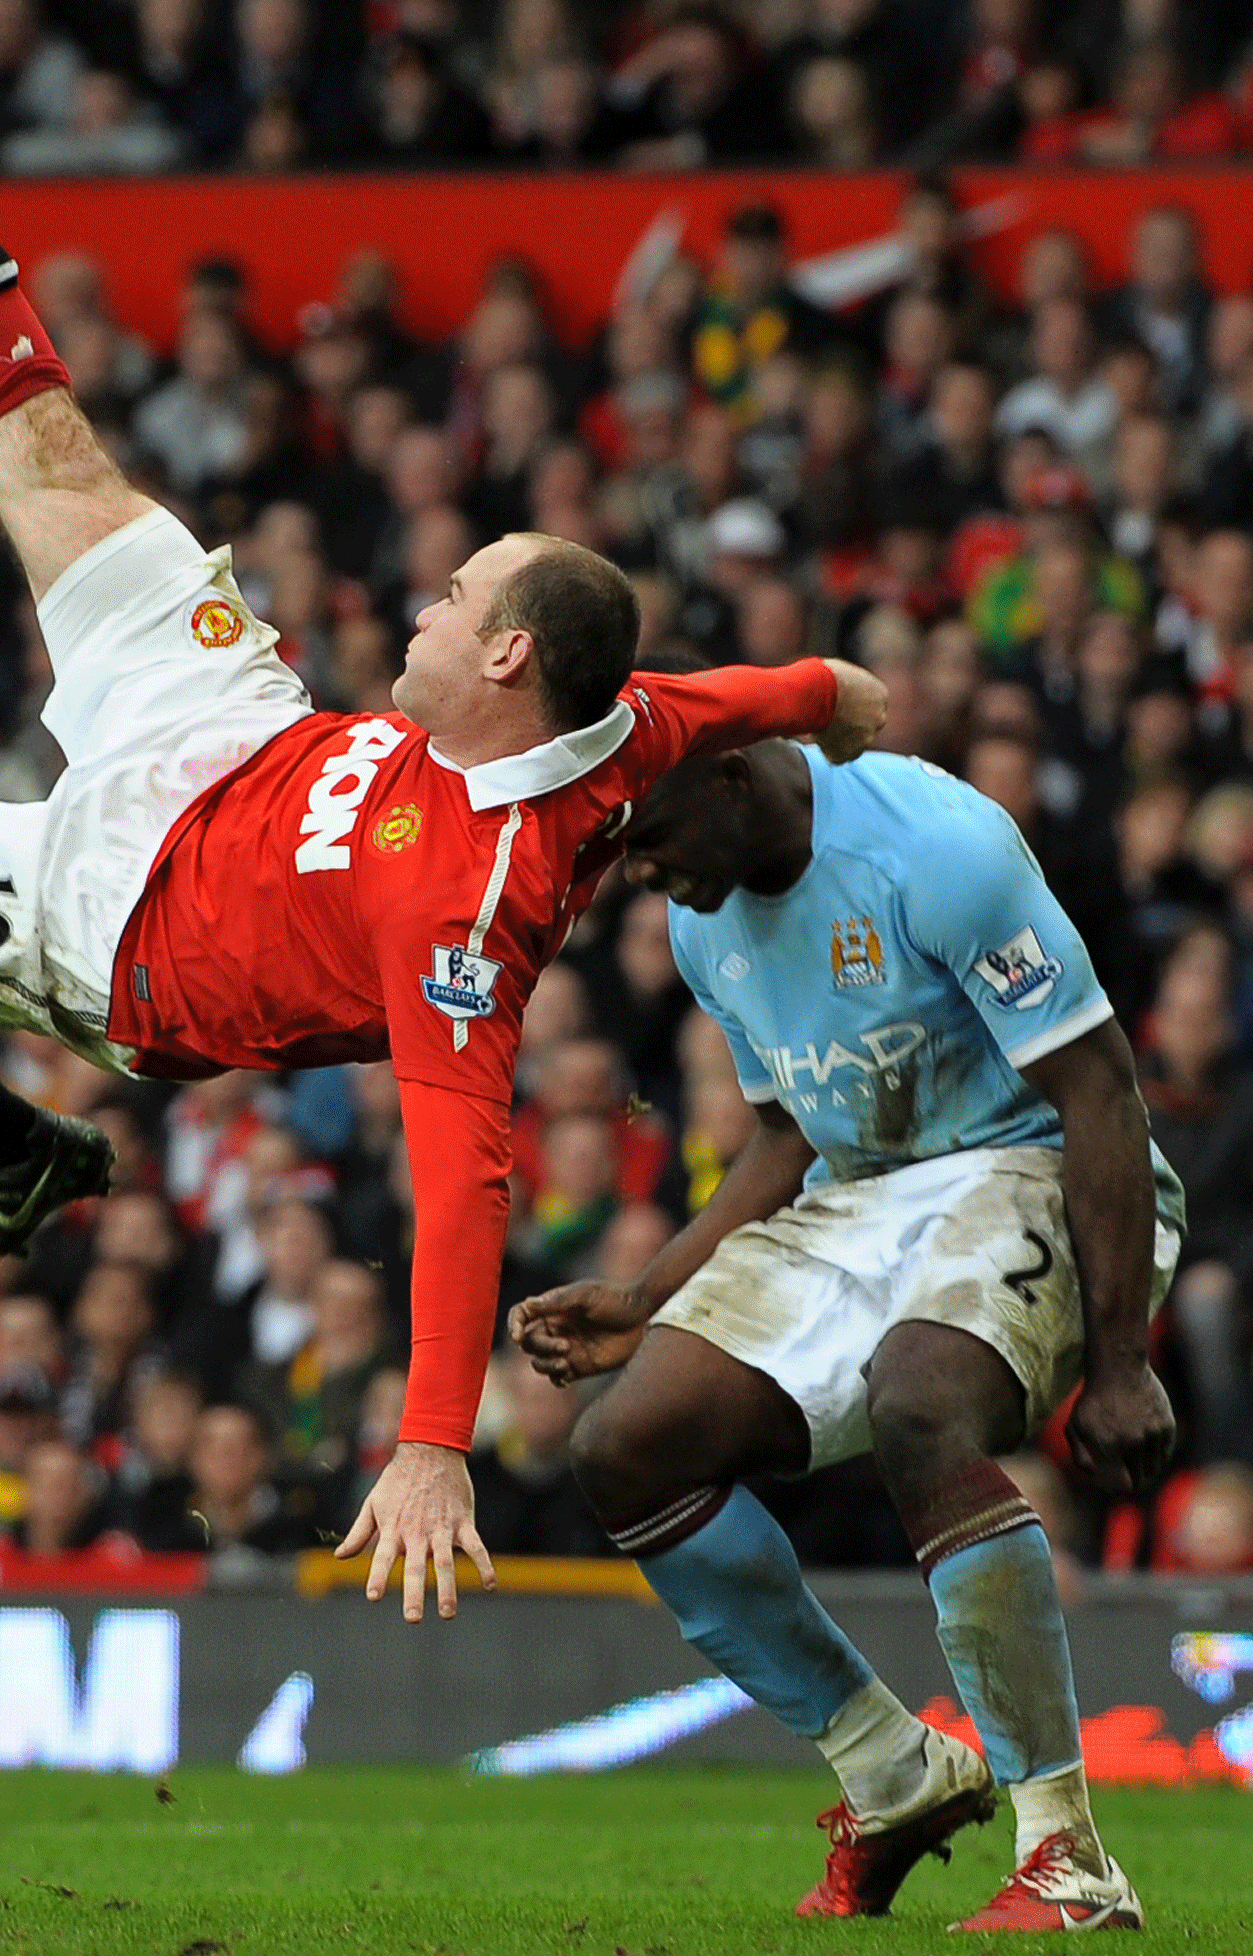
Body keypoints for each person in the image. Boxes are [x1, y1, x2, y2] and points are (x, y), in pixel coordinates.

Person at [0, 0, 891, 1624]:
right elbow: (814, 689)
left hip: (115, 930)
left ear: (502, 666)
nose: (428, 593)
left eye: (457, 593)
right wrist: (870, 740)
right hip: (224, 725)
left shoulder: (462, 914)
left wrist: (433, 1444)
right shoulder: (619, 713)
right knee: (46, 438)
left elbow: (464, 1174)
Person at [513, 738, 1180, 1930]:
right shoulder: (702, 923)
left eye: (647, 837)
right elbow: (785, 1134)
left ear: (726, 777)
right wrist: (649, 1292)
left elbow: (1099, 1088)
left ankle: (1068, 1856)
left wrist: (1123, 1360)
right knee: (628, 1445)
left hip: (1027, 1163)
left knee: (919, 1406)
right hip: (863, 1195)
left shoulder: (937, 847)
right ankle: (893, 1772)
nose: (637, 870)